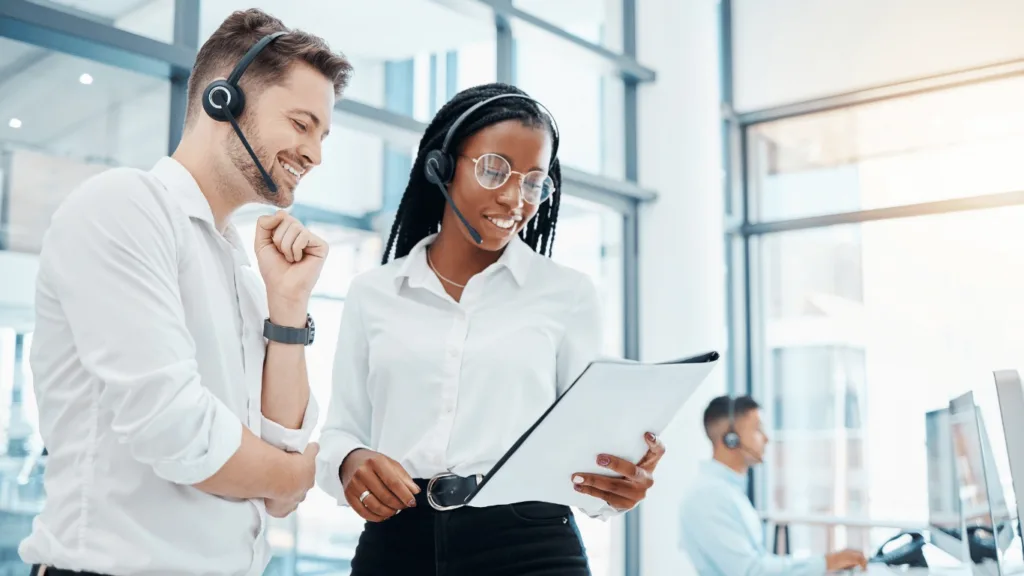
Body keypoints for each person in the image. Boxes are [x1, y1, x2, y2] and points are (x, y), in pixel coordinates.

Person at [19, 9, 352, 576]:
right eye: (301, 124)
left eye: (322, 135)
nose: (316, 154)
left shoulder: (240, 268)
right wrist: (296, 476)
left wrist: (288, 307)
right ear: (222, 100)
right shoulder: (124, 207)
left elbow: (280, 454)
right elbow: (175, 429)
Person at [315, 83, 665, 575]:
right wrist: (349, 461)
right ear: (442, 165)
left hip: (531, 544)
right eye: (494, 169)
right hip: (397, 541)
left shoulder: (567, 294)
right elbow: (341, 429)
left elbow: (587, 444)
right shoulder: (373, 293)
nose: (513, 197)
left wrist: (618, 486)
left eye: (533, 181)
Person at [680, 395, 870, 575]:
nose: (766, 438)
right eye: (757, 429)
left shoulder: (727, 491)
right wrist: (826, 562)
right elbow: (751, 572)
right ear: (731, 439)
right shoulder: (709, 496)